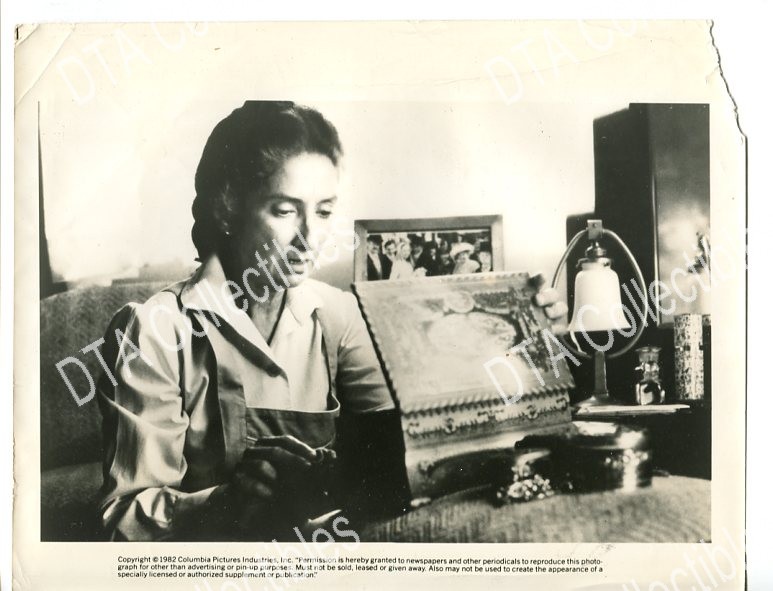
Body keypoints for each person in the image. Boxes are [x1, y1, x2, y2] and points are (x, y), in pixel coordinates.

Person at [95, 101, 568, 542]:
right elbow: (122, 521)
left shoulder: (337, 314)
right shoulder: (156, 330)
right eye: (285, 210)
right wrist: (226, 502)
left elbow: (417, 436)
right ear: (227, 208)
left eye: (323, 212)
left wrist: (530, 344)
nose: (309, 237)